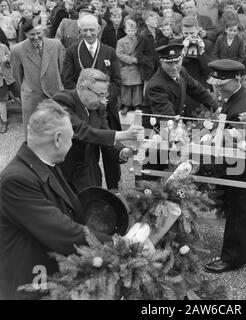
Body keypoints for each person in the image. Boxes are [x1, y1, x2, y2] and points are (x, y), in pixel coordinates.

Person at [0, 101, 113, 300]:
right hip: (30, 287)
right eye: (71, 139)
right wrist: (118, 244)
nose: (72, 143)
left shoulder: (43, 164)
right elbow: (62, 231)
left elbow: (71, 207)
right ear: (58, 139)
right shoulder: (17, 180)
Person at [203, 59, 246, 273]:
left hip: (244, 170)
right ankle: (243, 248)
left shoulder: (243, 109)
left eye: (222, 84)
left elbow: (238, 145)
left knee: (239, 213)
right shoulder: (240, 92)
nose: (217, 88)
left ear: (238, 78)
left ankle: (233, 258)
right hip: (242, 166)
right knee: (241, 210)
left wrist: (210, 147)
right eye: (215, 83)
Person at [53, 68, 142, 193]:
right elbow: (80, 131)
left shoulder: (97, 107)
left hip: (90, 172)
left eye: (105, 95)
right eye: (100, 95)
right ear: (83, 88)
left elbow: (104, 134)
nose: (102, 100)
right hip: (64, 173)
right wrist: (125, 134)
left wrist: (124, 151)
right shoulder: (62, 100)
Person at [61, 13, 122, 191]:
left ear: (99, 29)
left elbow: (117, 82)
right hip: (84, 112)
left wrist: (102, 98)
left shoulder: (109, 51)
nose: (88, 33)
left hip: (107, 109)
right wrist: (86, 100)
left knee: (111, 152)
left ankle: (114, 190)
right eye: (85, 30)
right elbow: (68, 81)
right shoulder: (73, 51)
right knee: (89, 153)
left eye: (92, 29)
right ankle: (93, 190)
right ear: (80, 30)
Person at [10, 16, 63, 136]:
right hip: (32, 99)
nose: (36, 37)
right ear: (25, 34)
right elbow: (17, 77)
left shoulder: (56, 45)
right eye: (31, 35)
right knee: (34, 133)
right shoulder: (17, 50)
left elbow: (61, 70)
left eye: (38, 33)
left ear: (43, 30)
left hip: (54, 95)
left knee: (54, 131)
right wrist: (26, 94)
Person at [144, 43, 218, 118]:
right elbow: (167, 117)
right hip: (157, 127)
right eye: (169, 63)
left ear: (181, 59)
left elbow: (198, 91)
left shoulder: (182, 71)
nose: (174, 67)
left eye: (177, 62)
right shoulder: (156, 86)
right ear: (161, 62)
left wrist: (217, 109)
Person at [116, 18, 143, 114]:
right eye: (129, 30)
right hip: (126, 67)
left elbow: (143, 51)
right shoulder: (121, 41)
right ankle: (126, 105)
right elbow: (119, 54)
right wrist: (131, 60)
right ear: (125, 31)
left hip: (137, 67)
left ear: (136, 30)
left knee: (137, 87)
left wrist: (140, 59)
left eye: (133, 30)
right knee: (126, 88)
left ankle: (137, 105)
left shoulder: (140, 40)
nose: (131, 32)